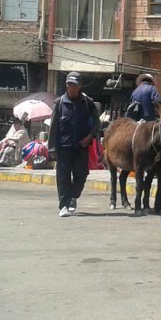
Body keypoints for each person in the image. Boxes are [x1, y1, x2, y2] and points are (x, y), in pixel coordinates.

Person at [48, 72, 101, 218]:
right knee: (63, 178)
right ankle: (63, 206)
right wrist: (52, 149)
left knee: (81, 175)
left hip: (81, 148)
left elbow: (97, 124)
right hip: (63, 148)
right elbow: (53, 127)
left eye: (74, 85)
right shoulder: (59, 103)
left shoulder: (88, 103)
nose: (72, 88)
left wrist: (89, 137)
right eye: (69, 85)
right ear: (66, 86)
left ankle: (73, 196)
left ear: (80, 86)